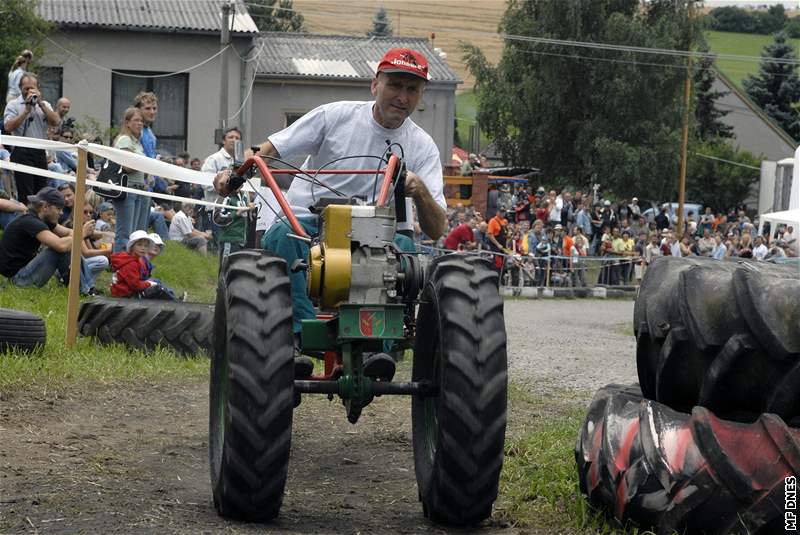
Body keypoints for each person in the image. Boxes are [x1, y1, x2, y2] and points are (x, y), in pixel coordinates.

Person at [214, 47, 447, 329]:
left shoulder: (423, 147)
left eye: (412, 89)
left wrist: (420, 191)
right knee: (281, 236)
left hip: (374, 234)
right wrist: (233, 175)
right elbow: (271, 150)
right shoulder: (335, 116)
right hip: (308, 225)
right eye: (395, 85)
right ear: (375, 84)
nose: (402, 97)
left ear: (421, 96)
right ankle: (300, 334)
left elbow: (436, 230)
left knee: (407, 252)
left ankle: (379, 345)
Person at [0, 186, 95, 294]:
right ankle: (86, 291)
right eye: (58, 208)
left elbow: (68, 232)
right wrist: (82, 234)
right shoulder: (31, 222)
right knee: (61, 249)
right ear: (45, 207)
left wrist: (83, 233)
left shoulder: (41, 219)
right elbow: (61, 246)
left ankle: (88, 288)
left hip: (20, 274)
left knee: (69, 243)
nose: (61, 213)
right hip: (17, 279)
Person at [3, 73, 61, 201]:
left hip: (39, 152)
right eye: (26, 88)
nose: (29, 91)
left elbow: (56, 121)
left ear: (38, 87)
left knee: (41, 194)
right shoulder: (13, 104)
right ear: (20, 88)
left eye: (32, 88)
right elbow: (8, 127)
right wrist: (25, 111)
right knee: (26, 194)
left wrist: (40, 103)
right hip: (21, 152)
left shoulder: (44, 104)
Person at [111, 107, 150, 252]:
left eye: (141, 121)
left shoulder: (137, 142)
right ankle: (118, 269)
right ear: (127, 123)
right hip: (128, 189)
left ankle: (131, 268)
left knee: (136, 235)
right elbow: (126, 166)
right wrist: (145, 164)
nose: (140, 123)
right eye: (136, 120)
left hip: (139, 189)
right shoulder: (124, 140)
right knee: (125, 233)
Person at [110, 230, 176, 300]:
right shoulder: (131, 263)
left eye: (146, 246)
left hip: (126, 291)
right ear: (132, 246)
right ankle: (175, 302)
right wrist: (149, 284)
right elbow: (136, 286)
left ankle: (174, 299)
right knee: (158, 288)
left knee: (155, 282)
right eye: (139, 245)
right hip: (125, 295)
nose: (143, 248)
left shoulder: (133, 259)